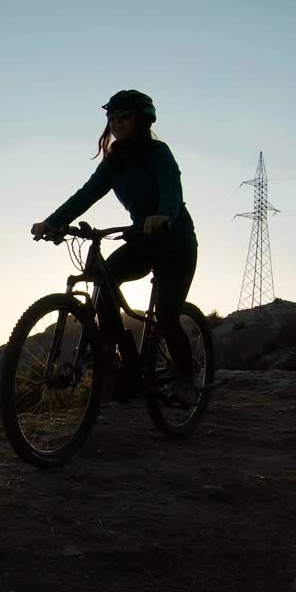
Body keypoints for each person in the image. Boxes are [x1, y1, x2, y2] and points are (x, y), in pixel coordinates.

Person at [31, 89, 200, 403]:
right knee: (104, 280)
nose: (116, 123)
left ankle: (187, 379)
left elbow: (171, 189)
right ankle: (115, 357)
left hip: (176, 245)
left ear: (142, 120)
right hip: (142, 241)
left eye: (124, 117)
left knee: (166, 316)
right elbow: (86, 194)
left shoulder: (158, 153)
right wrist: (52, 221)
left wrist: (163, 215)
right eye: (111, 118)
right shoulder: (114, 162)